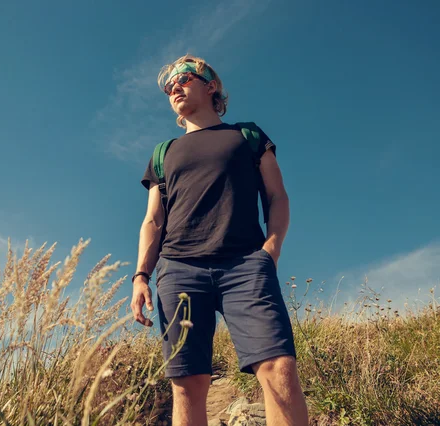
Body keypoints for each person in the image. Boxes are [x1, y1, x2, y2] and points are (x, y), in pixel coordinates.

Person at [130, 54, 309, 426]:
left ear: (211, 86)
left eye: (184, 78)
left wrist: (270, 251)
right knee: (188, 383)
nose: (174, 87)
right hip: (179, 271)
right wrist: (141, 276)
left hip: (246, 265)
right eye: (168, 87)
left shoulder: (247, 136)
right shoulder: (163, 153)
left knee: (278, 367)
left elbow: (278, 197)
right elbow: (153, 219)